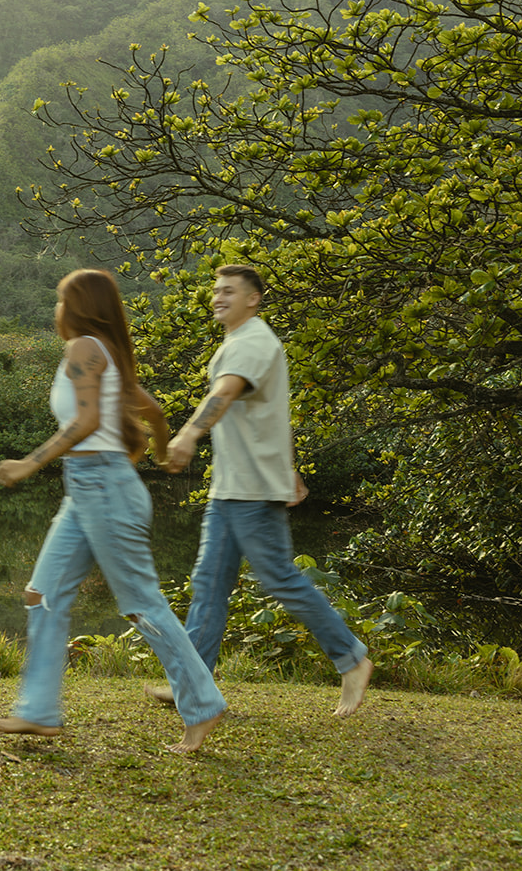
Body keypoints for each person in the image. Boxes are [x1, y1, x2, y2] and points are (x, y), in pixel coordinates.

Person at [0, 268, 227, 754]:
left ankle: (203, 705)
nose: (55, 310)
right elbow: (154, 410)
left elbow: (90, 419)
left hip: (103, 484)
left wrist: (29, 464)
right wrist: (158, 456)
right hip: (89, 487)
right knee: (43, 594)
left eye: (59, 300)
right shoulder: (103, 355)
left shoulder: (84, 349)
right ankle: (38, 712)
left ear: (76, 307)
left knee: (141, 604)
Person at [156, 264, 373, 718]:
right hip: (232, 487)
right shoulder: (239, 341)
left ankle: (352, 659)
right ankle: (194, 684)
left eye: (229, 291)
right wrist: (288, 468)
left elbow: (227, 392)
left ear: (253, 298)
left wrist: (189, 434)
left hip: (250, 491)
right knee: (209, 585)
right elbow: (267, 414)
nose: (218, 297)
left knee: (280, 579)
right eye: (215, 290)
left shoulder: (253, 340)